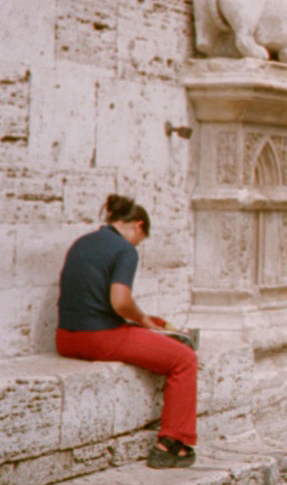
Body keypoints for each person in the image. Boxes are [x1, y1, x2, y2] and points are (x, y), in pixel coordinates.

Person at [57, 195, 198, 469]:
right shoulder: (124, 250)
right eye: (141, 239)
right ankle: (170, 444)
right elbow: (120, 302)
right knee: (185, 360)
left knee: (153, 333)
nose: (137, 245)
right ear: (138, 226)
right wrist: (144, 319)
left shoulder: (81, 242)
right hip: (98, 338)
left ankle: (171, 442)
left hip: (66, 337)